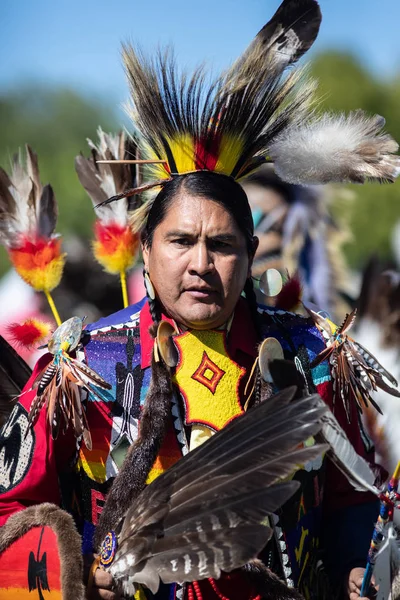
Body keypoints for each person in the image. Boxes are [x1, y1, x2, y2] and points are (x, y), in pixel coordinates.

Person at [1, 0, 400, 599]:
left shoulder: (312, 357)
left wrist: (354, 571)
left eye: (222, 245)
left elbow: (355, 498)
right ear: (146, 250)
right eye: (181, 241)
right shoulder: (83, 370)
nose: (201, 264)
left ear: (252, 250)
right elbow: (15, 510)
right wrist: (81, 575)